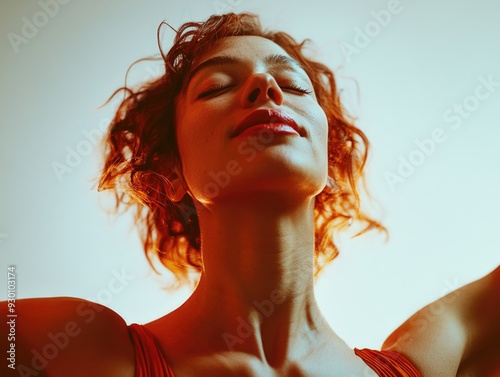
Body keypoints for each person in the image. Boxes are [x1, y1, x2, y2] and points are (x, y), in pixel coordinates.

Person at [2, 12, 499, 377]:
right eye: (217, 86)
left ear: (328, 158)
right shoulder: (79, 346)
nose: (265, 85)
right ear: (171, 169)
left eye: (293, 85)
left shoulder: (420, 364)